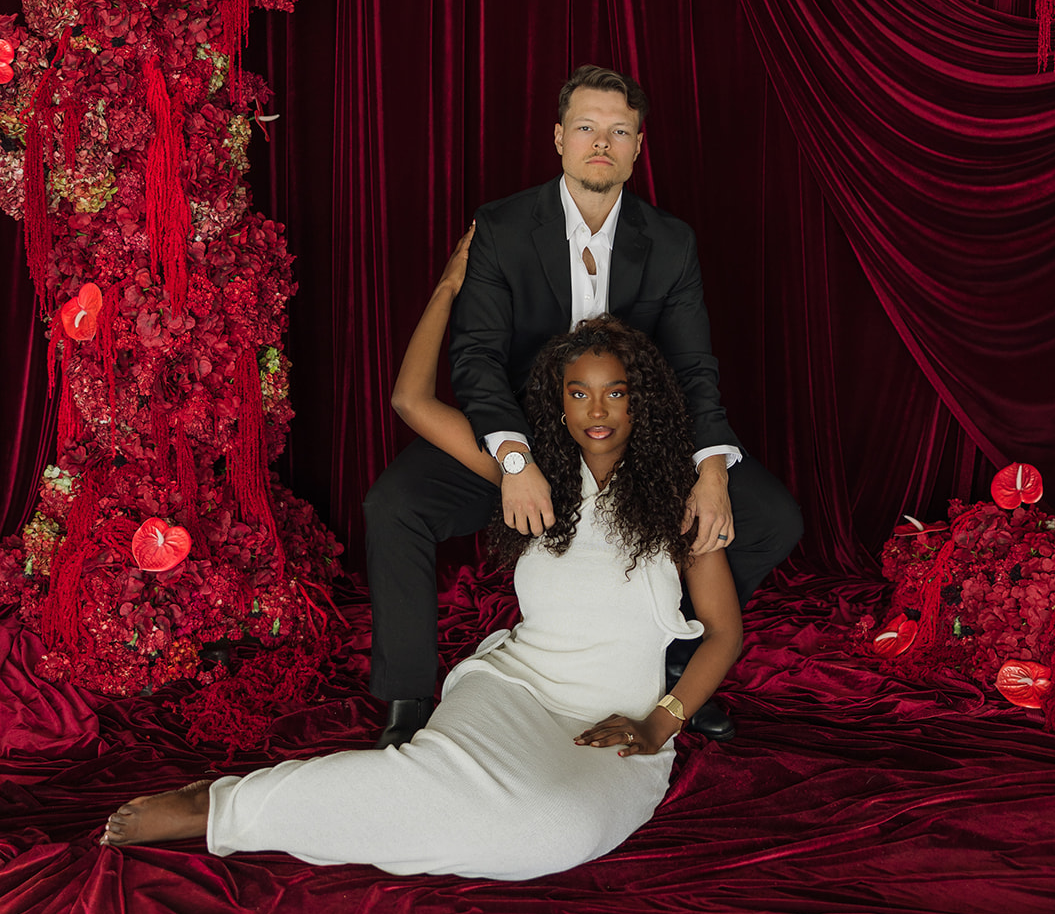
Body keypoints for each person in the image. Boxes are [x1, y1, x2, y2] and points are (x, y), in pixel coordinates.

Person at [99, 238, 742, 881]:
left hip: (619, 720)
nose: (597, 411)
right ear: (559, 400)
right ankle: (220, 805)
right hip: (516, 691)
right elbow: (411, 401)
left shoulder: (680, 501)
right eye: (579, 393)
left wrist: (659, 725)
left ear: (641, 399)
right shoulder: (528, 476)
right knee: (429, 780)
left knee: (555, 830)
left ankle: (296, 807)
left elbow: (723, 631)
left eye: (615, 393)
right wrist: (445, 290)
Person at [365, 65, 801, 746]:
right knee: (395, 504)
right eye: (587, 128)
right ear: (559, 140)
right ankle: (407, 697)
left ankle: (677, 661)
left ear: (636, 146)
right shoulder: (504, 227)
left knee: (771, 515)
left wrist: (710, 472)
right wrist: (513, 457)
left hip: (631, 434)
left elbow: (692, 367)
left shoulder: (671, 241)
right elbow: (476, 359)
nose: (602, 143)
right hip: (522, 429)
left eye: (618, 131)